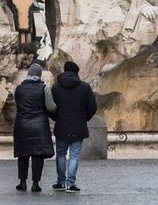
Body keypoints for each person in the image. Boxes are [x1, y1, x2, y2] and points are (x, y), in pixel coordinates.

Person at [49, 60, 96, 192]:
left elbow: (51, 107)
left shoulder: (56, 87)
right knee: (74, 155)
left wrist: (56, 118)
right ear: (76, 72)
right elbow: (93, 106)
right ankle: (71, 183)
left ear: (64, 71)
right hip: (78, 125)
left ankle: (61, 182)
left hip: (62, 125)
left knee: (60, 154)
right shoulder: (84, 87)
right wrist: (85, 117)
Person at [12, 63, 54, 192]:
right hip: (39, 125)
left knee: (23, 155)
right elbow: (51, 107)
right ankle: (35, 184)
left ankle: (22, 182)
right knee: (37, 155)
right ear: (39, 75)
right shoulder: (44, 88)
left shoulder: (18, 89)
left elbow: (17, 103)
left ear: (28, 74)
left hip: (22, 124)